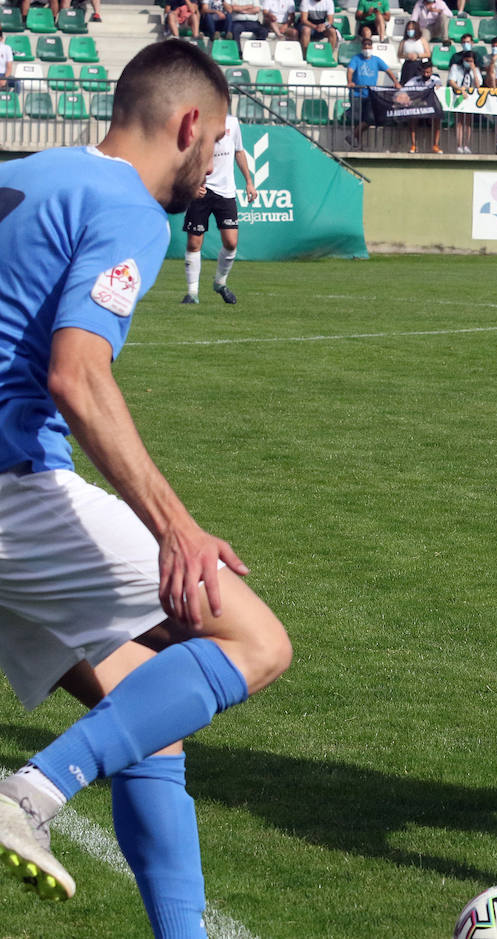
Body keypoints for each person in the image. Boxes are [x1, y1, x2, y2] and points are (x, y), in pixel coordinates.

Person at [0, 39, 292, 933]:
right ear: (190, 124)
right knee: (256, 638)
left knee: (145, 715)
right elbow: (77, 376)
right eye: (216, 145)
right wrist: (176, 527)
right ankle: (31, 795)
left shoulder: (30, 173)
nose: (213, 164)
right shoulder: (131, 207)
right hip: (10, 492)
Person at [181, 112, 256, 305]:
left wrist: (249, 182)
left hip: (226, 192)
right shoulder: (196, 123)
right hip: (202, 190)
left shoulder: (232, 122)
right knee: (194, 242)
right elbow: (186, 156)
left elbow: (239, 151)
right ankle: (192, 293)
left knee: (231, 243)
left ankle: (220, 283)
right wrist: (192, 184)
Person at [345, 37, 400, 149]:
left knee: (370, 118)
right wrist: (350, 82)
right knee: (359, 119)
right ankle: (359, 145)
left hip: (370, 94)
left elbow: (388, 71)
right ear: (362, 47)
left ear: (372, 47)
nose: (367, 48)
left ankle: (353, 136)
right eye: (365, 46)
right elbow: (350, 71)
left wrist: (395, 82)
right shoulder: (356, 59)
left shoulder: (376, 60)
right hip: (357, 94)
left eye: (369, 45)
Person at [401, 58, 442, 153]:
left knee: (437, 118)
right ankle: (413, 145)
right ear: (421, 71)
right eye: (424, 72)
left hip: (431, 107)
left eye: (428, 72)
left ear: (431, 72)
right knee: (412, 118)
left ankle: (435, 145)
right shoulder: (414, 80)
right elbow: (405, 89)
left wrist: (438, 87)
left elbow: (439, 88)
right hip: (418, 106)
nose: (426, 75)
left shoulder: (435, 80)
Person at [447, 49, 482, 153]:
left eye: (471, 61)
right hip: (458, 95)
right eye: (467, 60)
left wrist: (474, 70)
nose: (468, 63)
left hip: (470, 96)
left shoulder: (475, 69)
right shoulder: (456, 67)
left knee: (468, 122)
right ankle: (459, 145)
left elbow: (478, 84)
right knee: (459, 121)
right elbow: (451, 81)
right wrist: (460, 89)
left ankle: (466, 144)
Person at [398, 19, 433, 86]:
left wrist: (417, 55)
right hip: (408, 65)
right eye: (408, 29)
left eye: (412, 29)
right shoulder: (404, 41)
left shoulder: (422, 40)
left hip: (419, 64)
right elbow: (399, 54)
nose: (410, 31)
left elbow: (428, 54)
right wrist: (407, 56)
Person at [0, 26, 13, 92]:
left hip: (3, 74)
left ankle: (14, 99)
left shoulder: (7, 48)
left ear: (1, 38)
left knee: (18, 83)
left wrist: (4, 79)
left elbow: (9, 66)